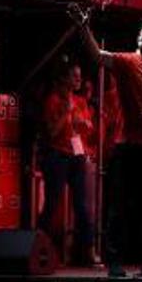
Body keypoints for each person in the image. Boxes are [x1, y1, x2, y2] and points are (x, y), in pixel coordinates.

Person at [71, 8, 142, 276]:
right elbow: (97, 56)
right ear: (137, 40)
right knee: (121, 206)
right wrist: (84, 28)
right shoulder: (127, 61)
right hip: (130, 146)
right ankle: (115, 262)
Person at [37, 60, 96, 266]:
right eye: (74, 75)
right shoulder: (53, 100)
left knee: (82, 205)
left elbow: (89, 127)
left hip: (77, 155)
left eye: (79, 75)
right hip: (57, 156)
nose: (78, 79)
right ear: (63, 78)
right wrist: (66, 112)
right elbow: (52, 131)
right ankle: (38, 247)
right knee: (52, 203)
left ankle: (85, 252)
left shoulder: (80, 101)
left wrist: (83, 123)